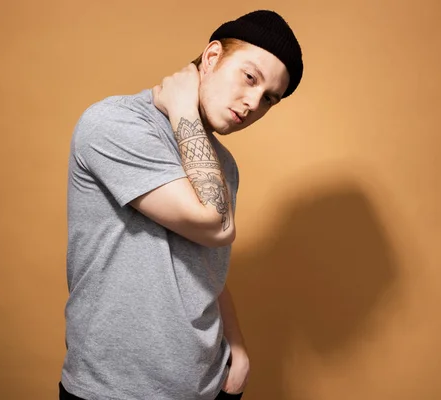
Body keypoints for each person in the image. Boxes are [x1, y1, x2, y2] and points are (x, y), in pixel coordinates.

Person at [60, 9, 304, 400]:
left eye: (268, 99)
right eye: (250, 77)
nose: (253, 104)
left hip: (207, 386)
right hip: (114, 391)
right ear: (211, 58)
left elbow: (207, 257)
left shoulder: (222, 164)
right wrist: (184, 108)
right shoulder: (113, 124)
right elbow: (214, 225)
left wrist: (237, 348)